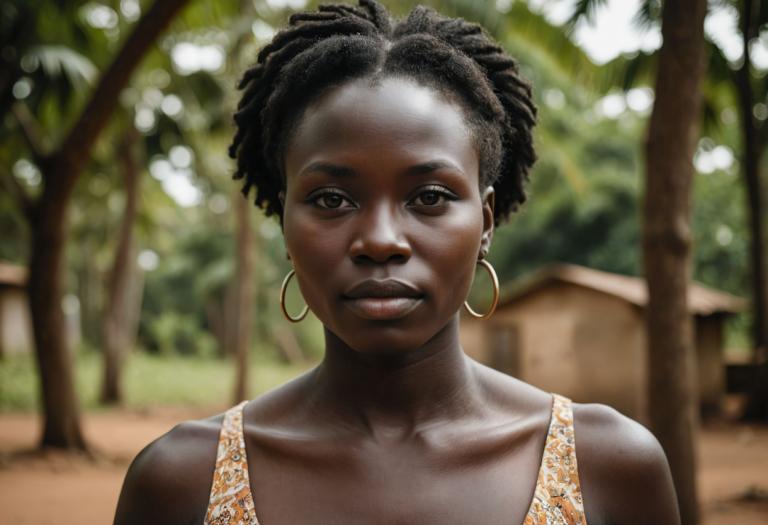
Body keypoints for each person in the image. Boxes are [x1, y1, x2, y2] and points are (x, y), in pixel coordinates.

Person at [114, 1, 680, 523]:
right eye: (332, 200)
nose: (380, 240)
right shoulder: (180, 481)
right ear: (285, 223)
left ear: (484, 223)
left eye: (429, 197)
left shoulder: (609, 467)